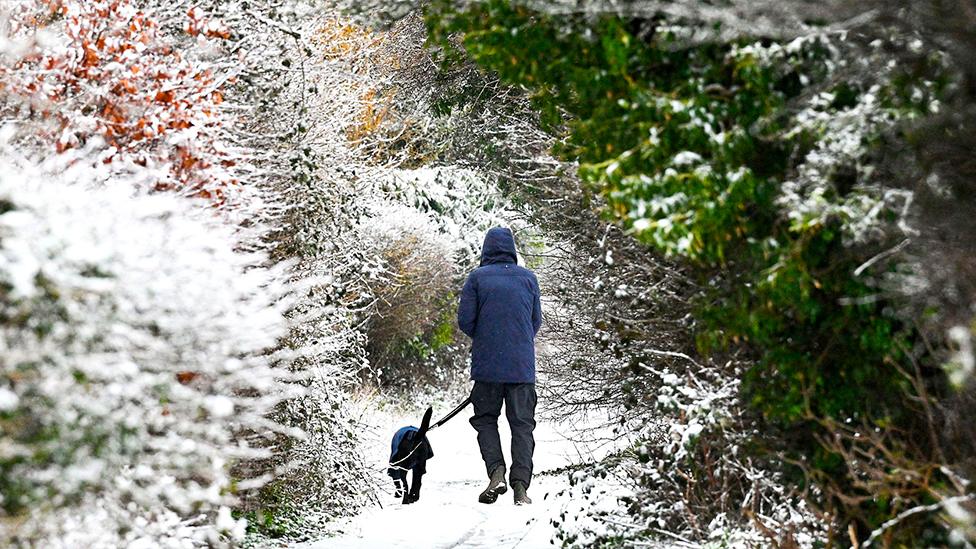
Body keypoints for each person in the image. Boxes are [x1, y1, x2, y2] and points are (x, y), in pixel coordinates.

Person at [457, 227, 542, 506]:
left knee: (485, 420)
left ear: (486, 250)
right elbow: (535, 322)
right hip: (521, 368)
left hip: (488, 367)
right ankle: (521, 487)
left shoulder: (477, 279)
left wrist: (487, 338)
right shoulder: (529, 279)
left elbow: (465, 321)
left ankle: (496, 472)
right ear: (512, 249)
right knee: (522, 425)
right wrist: (516, 340)